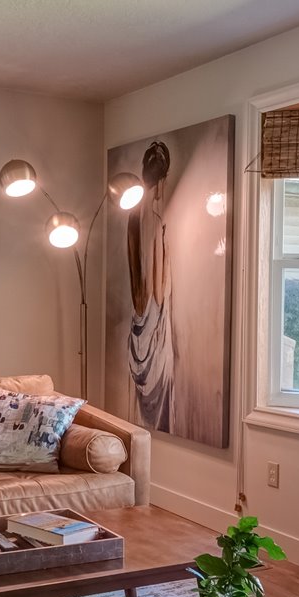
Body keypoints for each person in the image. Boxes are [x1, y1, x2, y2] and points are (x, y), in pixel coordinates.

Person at [125, 139, 173, 431]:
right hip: (154, 324)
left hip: (136, 326)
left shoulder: (132, 219)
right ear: (162, 180)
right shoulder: (154, 221)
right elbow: (158, 288)